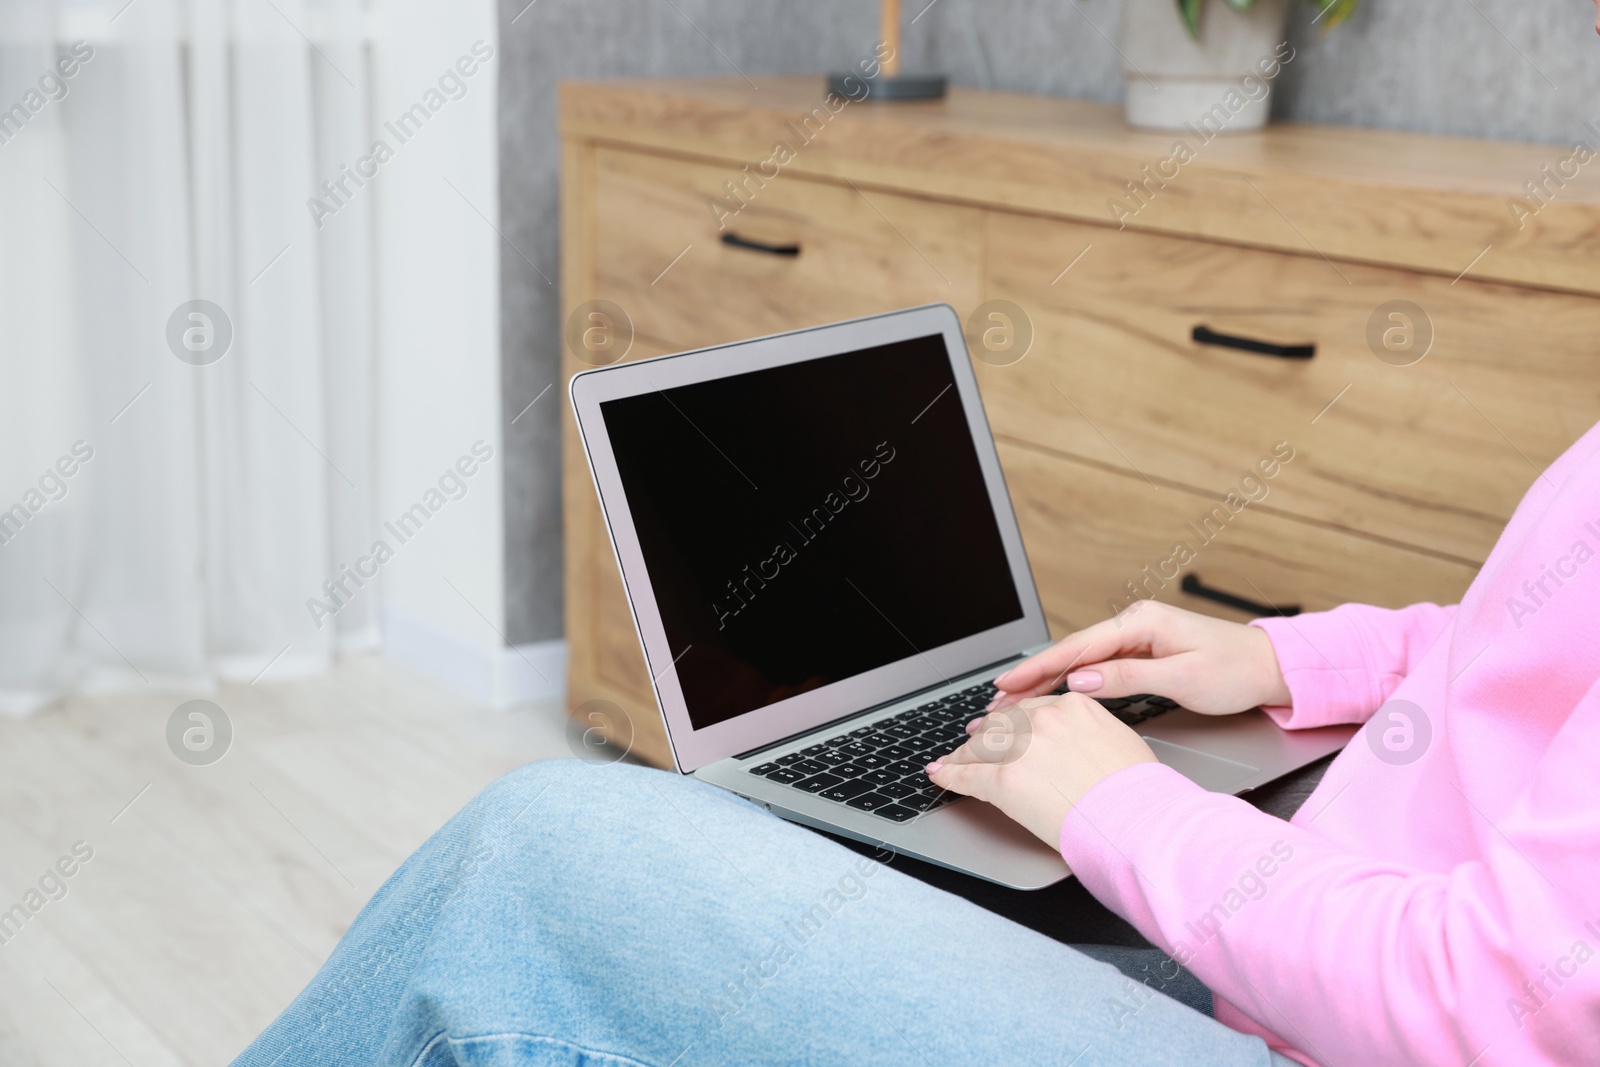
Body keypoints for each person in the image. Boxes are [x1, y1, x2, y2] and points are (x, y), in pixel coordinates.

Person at [234, 15, 1600, 1066]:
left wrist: (1117, 804)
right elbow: (1535, 655)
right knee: (817, 840)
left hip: (1304, 1014)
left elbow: (1496, 1011)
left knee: (534, 859)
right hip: (1292, 924)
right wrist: (1297, 661)